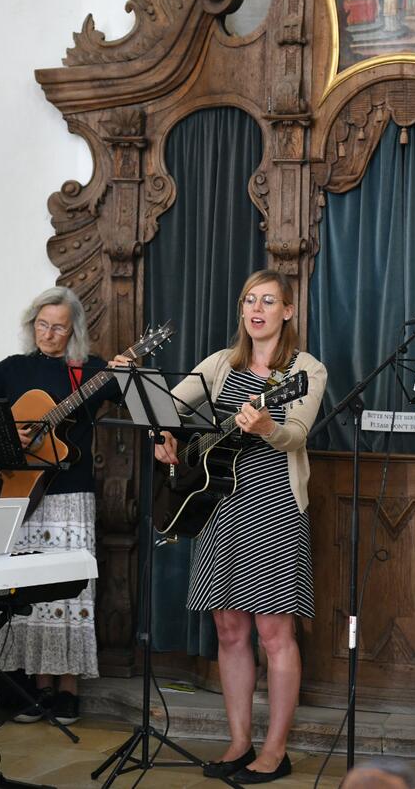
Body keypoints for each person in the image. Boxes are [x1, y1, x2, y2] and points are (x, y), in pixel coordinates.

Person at [154, 269, 326, 784]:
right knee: (229, 629)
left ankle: (275, 750)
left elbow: (295, 435)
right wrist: (164, 437)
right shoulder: (220, 366)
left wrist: (268, 425)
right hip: (217, 504)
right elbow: (166, 406)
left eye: (268, 301)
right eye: (249, 299)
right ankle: (238, 742)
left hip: (273, 506)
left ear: (287, 311)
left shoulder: (304, 370)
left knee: (275, 631)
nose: (256, 309)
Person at [0, 285, 129, 725]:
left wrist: (125, 373)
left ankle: (68, 690)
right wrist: (7, 430)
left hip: (71, 492)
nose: (49, 334)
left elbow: (129, 397)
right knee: (30, 593)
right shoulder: (12, 369)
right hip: (22, 493)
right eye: (42, 325)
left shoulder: (87, 371)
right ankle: (38, 686)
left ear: (73, 330)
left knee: (71, 589)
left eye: (58, 327)